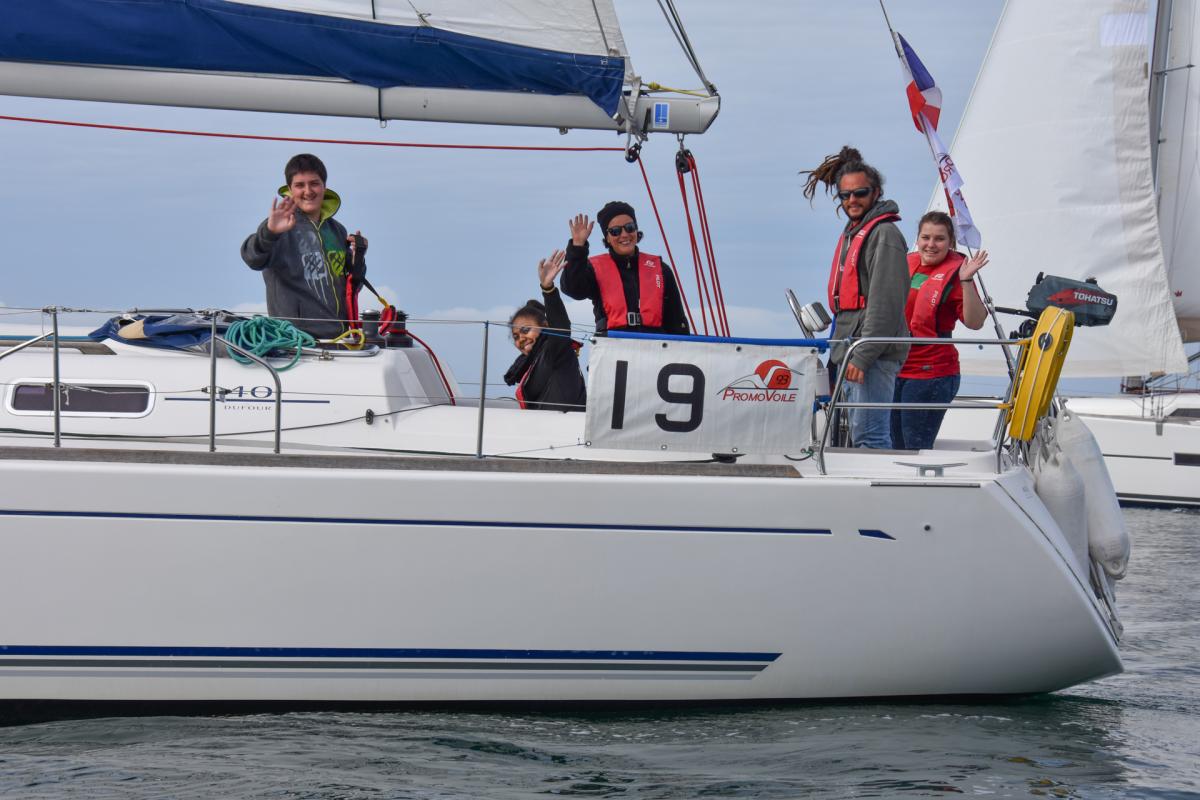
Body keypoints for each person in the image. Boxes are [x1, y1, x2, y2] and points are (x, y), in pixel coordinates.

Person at [801, 146, 910, 449]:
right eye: (845, 195)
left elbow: (886, 303)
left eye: (860, 193)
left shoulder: (884, 234)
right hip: (850, 349)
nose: (852, 200)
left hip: (869, 354)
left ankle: (878, 482)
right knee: (858, 435)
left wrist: (862, 355)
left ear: (876, 192)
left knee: (871, 438)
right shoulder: (856, 231)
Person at [240, 153, 367, 340]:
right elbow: (252, 258)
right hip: (296, 343)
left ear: (324, 186)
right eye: (300, 185)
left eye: (314, 183)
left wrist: (358, 258)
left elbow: (353, 286)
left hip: (340, 340)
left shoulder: (337, 231)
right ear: (290, 190)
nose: (308, 191)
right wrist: (269, 233)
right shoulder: (278, 226)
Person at [891, 211, 990, 450]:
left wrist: (966, 280)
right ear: (917, 239)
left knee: (914, 449)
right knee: (893, 446)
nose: (931, 244)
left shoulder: (958, 273)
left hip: (931, 374)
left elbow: (976, 322)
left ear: (951, 242)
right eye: (926, 237)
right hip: (895, 368)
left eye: (939, 239)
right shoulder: (904, 263)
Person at [560, 201, 690, 335]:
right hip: (612, 344)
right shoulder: (593, 269)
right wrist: (577, 247)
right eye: (615, 231)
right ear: (607, 238)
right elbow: (573, 289)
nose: (624, 234)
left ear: (636, 230)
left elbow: (677, 320)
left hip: (656, 344)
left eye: (630, 227)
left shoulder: (661, 270)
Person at [504, 249, 588, 412]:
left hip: (565, 426)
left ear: (546, 326)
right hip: (543, 425)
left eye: (526, 330)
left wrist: (548, 288)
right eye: (515, 336)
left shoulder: (554, 349)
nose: (521, 338)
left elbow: (560, 327)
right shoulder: (532, 362)